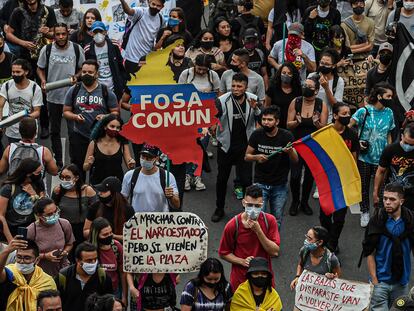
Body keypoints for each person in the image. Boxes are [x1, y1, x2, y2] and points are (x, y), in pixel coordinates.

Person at [211, 73, 260, 222]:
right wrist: (213, 124)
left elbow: (261, 118)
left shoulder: (253, 99)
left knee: (246, 180)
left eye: (239, 86)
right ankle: (219, 208)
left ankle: (248, 211)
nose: (235, 88)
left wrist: (256, 109)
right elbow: (214, 116)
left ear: (246, 87)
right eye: (233, 85)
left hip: (245, 147)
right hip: (226, 146)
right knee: (221, 179)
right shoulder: (222, 100)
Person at [37, 23, 84, 168]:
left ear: (67, 33)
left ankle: (74, 162)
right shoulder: (47, 49)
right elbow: (40, 68)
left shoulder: (76, 49)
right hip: (53, 97)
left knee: (73, 132)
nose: (61, 37)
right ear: (54, 35)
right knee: (54, 131)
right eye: (58, 34)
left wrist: (77, 76)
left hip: (71, 98)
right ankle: (58, 160)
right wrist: (43, 80)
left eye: (63, 34)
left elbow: (84, 68)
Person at [63, 59, 119, 180]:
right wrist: (75, 117)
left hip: (100, 137)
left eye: (90, 72)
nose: (86, 75)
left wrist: (106, 117)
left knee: (100, 169)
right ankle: (80, 192)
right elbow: (66, 111)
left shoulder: (106, 92)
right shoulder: (74, 90)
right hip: (79, 135)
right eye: (84, 72)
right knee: (77, 168)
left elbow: (115, 112)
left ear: (97, 74)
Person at [361, 183, 414, 310]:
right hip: (380, 283)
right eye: (385, 198)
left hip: (401, 284)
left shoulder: (410, 221)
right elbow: (369, 252)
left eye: (392, 199)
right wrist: (375, 281)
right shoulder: (376, 221)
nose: (387, 202)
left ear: (401, 201)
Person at [350, 82, 395, 227]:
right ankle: (364, 212)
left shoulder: (389, 112)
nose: (390, 99)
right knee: (364, 186)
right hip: (365, 157)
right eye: (388, 96)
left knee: (381, 188)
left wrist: (389, 150)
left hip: (382, 159)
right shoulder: (364, 111)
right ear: (379, 96)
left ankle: (379, 215)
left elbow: (389, 133)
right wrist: (357, 142)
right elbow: (348, 127)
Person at [218, 185, 280, 290]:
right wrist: (242, 261)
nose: (253, 210)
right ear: (243, 203)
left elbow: (274, 252)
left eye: (257, 206)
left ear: (262, 205)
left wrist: (258, 231)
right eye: (249, 205)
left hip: (264, 280)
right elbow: (223, 253)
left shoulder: (269, 221)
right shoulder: (233, 225)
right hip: (241, 281)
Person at [245, 106, 298, 228]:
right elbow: (247, 156)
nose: (266, 122)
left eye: (269, 120)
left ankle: (273, 245)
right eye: (264, 119)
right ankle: (258, 246)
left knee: (276, 220)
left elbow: (295, 160)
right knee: (256, 219)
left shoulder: (286, 136)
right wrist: (256, 157)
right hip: (260, 183)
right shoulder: (257, 134)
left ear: (277, 122)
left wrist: (289, 151)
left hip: (280, 185)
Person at [320, 102, 359, 253]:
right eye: (343, 114)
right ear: (335, 116)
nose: (347, 116)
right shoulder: (325, 133)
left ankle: (332, 244)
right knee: (324, 215)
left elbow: (354, 158)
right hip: (327, 181)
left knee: (339, 218)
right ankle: (327, 237)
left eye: (348, 113)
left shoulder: (352, 135)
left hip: (344, 181)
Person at [286, 74, 328, 216]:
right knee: (295, 176)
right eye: (305, 86)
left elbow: (324, 129)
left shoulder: (321, 104)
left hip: (313, 146)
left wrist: (317, 123)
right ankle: (295, 201)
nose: (306, 88)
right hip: (297, 145)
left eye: (309, 87)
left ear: (316, 91)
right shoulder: (295, 102)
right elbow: (288, 125)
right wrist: (297, 121)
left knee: (310, 176)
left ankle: (304, 202)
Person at [52, 164, 97, 257]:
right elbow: (52, 209)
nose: (64, 180)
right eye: (62, 177)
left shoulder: (87, 190)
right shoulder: (58, 190)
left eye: (68, 177)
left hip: (81, 230)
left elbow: (96, 212)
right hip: (63, 230)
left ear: (76, 178)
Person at [0, 238, 56, 311]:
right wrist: (6, 251)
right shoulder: (11, 272)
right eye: (19, 257)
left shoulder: (47, 282)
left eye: (27, 258)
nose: (22, 261)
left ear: (37, 260)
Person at [121, 144, 180, 213]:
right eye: (143, 156)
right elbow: (122, 201)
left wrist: (171, 197)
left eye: (149, 158)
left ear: (156, 159)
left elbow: (177, 205)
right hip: (137, 221)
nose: (145, 160)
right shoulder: (130, 175)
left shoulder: (168, 176)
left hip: (160, 222)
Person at [55, 242, 113, 311]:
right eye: (89, 260)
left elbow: (108, 304)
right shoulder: (64, 276)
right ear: (78, 260)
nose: (93, 263)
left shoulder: (103, 277)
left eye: (95, 259)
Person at [27, 198, 75, 277]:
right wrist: (45, 256)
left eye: (55, 211)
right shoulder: (32, 230)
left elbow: (70, 244)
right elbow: (26, 253)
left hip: (62, 270)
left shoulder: (64, 224)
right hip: (40, 274)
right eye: (49, 214)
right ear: (39, 215)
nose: (54, 215)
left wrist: (65, 252)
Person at [83, 114, 135, 185]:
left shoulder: (122, 144)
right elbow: (85, 168)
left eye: (118, 127)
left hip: (116, 185)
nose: (115, 130)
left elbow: (129, 165)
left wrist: (131, 164)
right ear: (105, 127)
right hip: (97, 185)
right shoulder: (94, 143)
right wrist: (89, 163)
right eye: (112, 126)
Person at [0, 59, 43, 144]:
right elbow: (0, 105)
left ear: (26, 72)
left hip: (29, 131)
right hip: (12, 131)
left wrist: (25, 117)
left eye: (18, 72)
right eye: (13, 72)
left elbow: (37, 112)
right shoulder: (7, 85)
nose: (15, 74)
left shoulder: (35, 88)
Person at [374, 123, 414, 212]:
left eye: (412, 145)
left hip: (411, 195)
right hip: (391, 193)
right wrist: (375, 192)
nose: (408, 147)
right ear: (402, 136)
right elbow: (380, 171)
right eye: (406, 143)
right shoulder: (390, 149)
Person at [119, 0, 165, 77]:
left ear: (162, 7)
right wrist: (122, 1)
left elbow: (159, 42)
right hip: (131, 58)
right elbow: (128, 10)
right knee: (130, 86)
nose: (155, 7)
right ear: (149, 2)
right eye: (153, 4)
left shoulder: (161, 19)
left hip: (146, 60)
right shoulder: (141, 12)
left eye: (158, 6)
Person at [0, 158, 44, 236]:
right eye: (37, 172)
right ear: (28, 173)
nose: (40, 174)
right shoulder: (8, 188)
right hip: (12, 231)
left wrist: (33, 194)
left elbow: (44, 208)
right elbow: (1, 216)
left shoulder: (38, 184)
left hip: (33, 231)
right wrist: (10, 240)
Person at [84, 21, 128, 100]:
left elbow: (121, 66)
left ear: (105, 32)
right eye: (95, 32)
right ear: (91, 33)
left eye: (100, 31)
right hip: (96, 89)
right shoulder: (88, 49)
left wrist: (123, 85)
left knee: (115, 111)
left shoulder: (114, 45)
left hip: (114, 87)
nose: (98, 34)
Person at [290, 226, 341, 292]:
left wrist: (332, 277)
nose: (306, 241)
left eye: (309, 239)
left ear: (320, 242)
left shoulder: (331, 259)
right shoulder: (304, 251)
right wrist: (297, 277)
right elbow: (300, 264)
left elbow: (338, 276)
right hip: (307, 292)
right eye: (306, 237)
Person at [88, 217, 126, 304]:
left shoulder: (117, 247)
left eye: (110, 233)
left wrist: (124, 297)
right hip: (94, 293)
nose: (109, 236)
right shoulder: (88, 249)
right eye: (105, 235)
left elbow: (122, 273)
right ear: (96, 235)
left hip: (114, 291)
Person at [84, 176, 135, 242]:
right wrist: (97, 233)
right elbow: (85, 231)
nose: (99, 193)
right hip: (98, 247)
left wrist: (112, 236)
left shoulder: (128, 209)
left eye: (104, 191)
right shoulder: (95, 207)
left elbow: (132, 237)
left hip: (121, 248)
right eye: (100, 191)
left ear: (113, 193)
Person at [265, 62, 302, 129]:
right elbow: (267, 107)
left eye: (289, 73)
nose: (286, 75)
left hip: (293, 125)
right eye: (284, 73)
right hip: (275, 126)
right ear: (280, 74)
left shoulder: (298, 90)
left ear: (293, 75)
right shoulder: (273, 88)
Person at [316, 48, 344, 123]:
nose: (323, 66)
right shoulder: (312, 77)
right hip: (312, 119)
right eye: (322, 63)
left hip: (329, 120)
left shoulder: (338, 81)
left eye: (327, 64)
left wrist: (326, 88)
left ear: (334, 66)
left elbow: (336, 106)